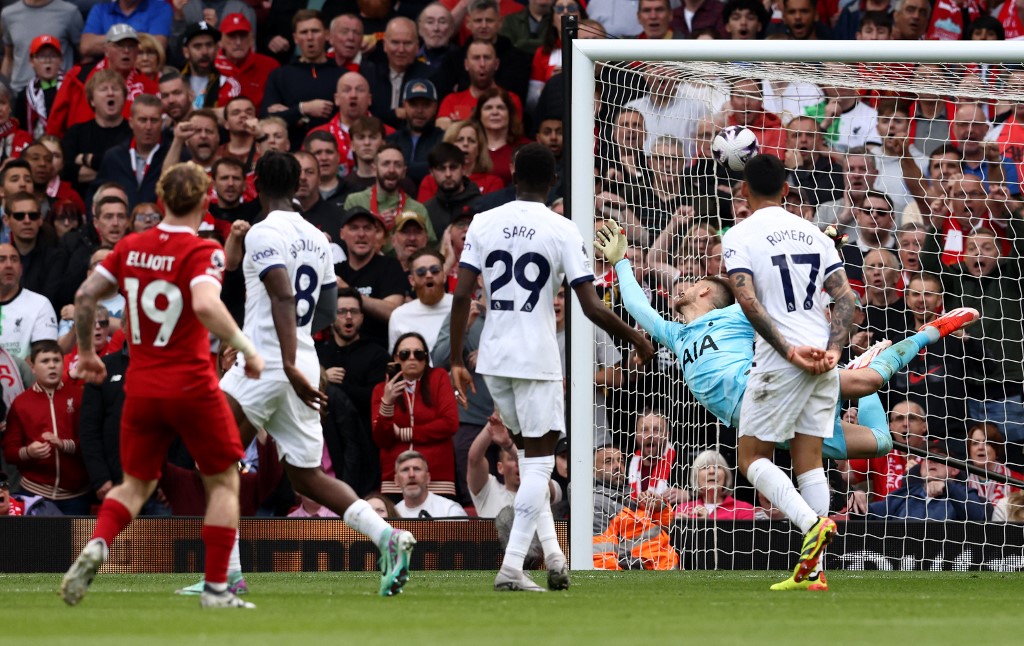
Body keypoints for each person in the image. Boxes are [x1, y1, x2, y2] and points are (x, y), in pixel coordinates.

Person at [449, 143, 654, 592]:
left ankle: (555, 557)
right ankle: (513, 566)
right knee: (540, 467)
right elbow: (590, 305)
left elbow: (462, 294)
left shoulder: (483, 221)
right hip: (537, 359)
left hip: (493, 359)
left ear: (513, 170)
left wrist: (452, 359)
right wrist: (637, 337)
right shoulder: (562, 229)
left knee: (526, 457)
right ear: (554, 179)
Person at [60, 162, 263, 609]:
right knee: (224, 482)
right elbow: (207, 304)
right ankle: (215, 589)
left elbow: (83, 297)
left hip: (142, 388)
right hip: (191, 387)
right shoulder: (203, 249)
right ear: (206, 199)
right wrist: (246, 347)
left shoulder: (131, 246)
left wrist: (89, 354)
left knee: (134, 485)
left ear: (162, 199)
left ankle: (97, 545)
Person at [218, 151, 416, 597]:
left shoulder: (263, 232)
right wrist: (300, 354)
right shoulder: (318, 237)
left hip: (269, 360)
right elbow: (327, 308)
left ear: (255, 185)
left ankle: (227, 576)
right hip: (304, 361)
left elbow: (283, 297)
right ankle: (387, 536)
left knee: (213, 457)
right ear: (296, 186)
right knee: (307, 477)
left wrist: (285, 360)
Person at [718, 153, 855, 590]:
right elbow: (846, 298)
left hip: (784, 359)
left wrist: (790, 352)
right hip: (822, 357)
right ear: (787, 189)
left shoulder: (739, 234)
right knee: (808, 460)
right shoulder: (816, 233)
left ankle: (810, 524)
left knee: (750, 457)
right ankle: (814, 573)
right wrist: (833, 351)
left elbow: (748, 301)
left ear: (744, 191)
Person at [2, 340, 89, 514]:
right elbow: (9, 451)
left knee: (76, 542)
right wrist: (29, 452)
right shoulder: (21, 403)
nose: (52, 366)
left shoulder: (80, 397)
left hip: (76, 495)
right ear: (32, 367)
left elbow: (91, 443)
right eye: (45, 361)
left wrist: (65, 445)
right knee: (39, 542)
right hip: (35, 494)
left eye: (56, 360)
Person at [372, 331, 460, 496]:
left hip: (437, 479)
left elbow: (450, 423)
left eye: (418, 354)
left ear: (426, 359)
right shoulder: (380, 390)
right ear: (395, 359)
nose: (412, 358)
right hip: (395, 481)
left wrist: (404, 433)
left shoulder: (439, 378)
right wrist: (387, 403)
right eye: (405, 354)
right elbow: (381, 438)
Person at [864, 441, 988, 521]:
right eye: (927, 457)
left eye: (939, 456)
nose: (931, 460)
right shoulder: (903, 495)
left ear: (955, 469)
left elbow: (977, 517)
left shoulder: (966, 495)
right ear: (920, 469)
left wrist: (947, 488)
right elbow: (867, 514)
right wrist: (856, 500)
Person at [0, 243, 59, 361]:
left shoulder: (40, 304)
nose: (9, 265)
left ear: (21, 269)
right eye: (1, 260)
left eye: (14, 259)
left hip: (23, 378)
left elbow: (43, 358)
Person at [388, 248, 453, 351]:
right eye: (421, 272)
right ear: (412, 280)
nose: (429, 275)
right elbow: (395, 360)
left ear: (444, 276)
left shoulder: (464, 307)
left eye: (435, 270)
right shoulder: (399, 316)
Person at [675, 450, 755, 520]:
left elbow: (744, 538)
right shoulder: (683, 508)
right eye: (705, 467)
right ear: (696, 477)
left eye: (718, 467)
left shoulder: (744, 509)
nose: (712, 471)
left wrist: (708, 523)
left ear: (726, 476)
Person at [392, 450, 467, 518]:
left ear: (428, 478)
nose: (411, 475)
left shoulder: (449, 510)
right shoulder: (392, 514)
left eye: (417, 469)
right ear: (396, 480)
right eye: (405, 470)